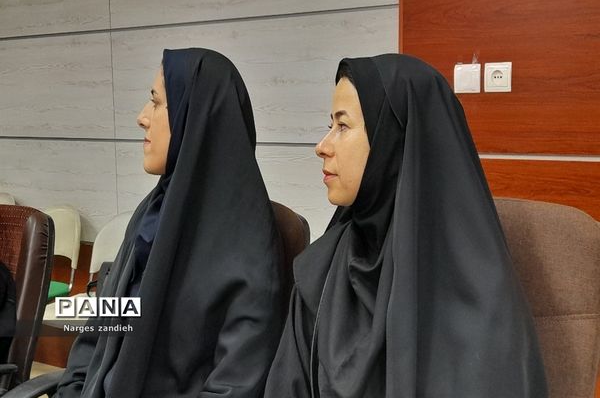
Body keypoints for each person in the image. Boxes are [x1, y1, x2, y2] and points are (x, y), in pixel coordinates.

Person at [264, 54, 548, 397]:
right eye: (330, 127)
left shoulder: (481, 298)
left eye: (343, 126)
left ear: (393, 140)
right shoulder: (321, 272)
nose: (322, 147)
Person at [54, 48, 283, 397]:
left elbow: (234, 388)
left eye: (157, 102)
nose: (142, 117)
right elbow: (97, 334)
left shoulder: (249, 251)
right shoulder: (152, 213)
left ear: (197, 118)